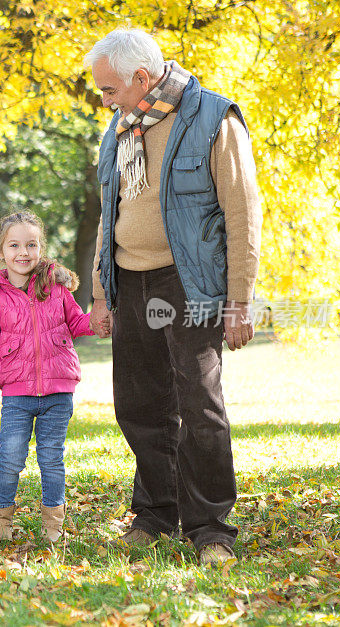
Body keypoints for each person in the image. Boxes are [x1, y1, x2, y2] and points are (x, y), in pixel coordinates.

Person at [84, 29, 262, 566]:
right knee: (139, 406)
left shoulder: (214, 118)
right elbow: (107, 212)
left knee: (199, 405)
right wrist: (100, 290)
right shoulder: (120, 127)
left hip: (190, 282)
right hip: (129, 278)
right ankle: (156, 515)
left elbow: (243, 212)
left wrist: (240, 299)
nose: (104, 99)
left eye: (109, 88)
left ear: (142, 78)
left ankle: (210, 528)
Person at [0, 212, 94, 542]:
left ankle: (53, 527)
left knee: (52, 459)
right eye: (14, 245)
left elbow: (79, 323)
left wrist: (102, 318)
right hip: (17, 396)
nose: (23, 252)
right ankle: (0, 524)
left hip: (58, 392)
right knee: (10, 459)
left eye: (31, 244)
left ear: (41, 249)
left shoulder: (56, 291)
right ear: (1, 251)